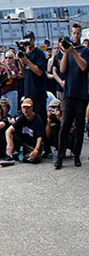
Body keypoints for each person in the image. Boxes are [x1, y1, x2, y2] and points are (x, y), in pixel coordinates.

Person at [56, 23, 89, 168]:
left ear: (80, 35)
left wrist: (74, 52)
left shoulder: (85, 50)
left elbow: (83, 67)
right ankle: (60, 156)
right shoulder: (67, 52)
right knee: (64, 126)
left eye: (77, 33)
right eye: (73, 33)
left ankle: (76, 155)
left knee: (80, 127)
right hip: (68, 94)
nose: (75, 35)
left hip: (81, 94)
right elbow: (62, 70)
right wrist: (65, 52)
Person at [16, 32, 48, 122]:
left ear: (33, 39)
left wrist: (27, 61)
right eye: (26, 39)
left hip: (38, 92)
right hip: (28, 91)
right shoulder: (26, 54)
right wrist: (19, 60)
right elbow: (23, 74)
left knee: (40, 118)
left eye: (29, 39)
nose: (28, 41)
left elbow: (39, 72)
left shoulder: (39, 53)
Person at [4, 98, 45, 164]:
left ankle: (20, 156)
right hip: (23, 145)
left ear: (32, 107)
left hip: (32, 146)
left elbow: (39, 137)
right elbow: (8, 131)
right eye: (24, 107)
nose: (26, 110)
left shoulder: (37, 119)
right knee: (12, 133)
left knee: (36, 158)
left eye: (28, 108)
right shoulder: (22, 118)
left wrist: (36, 150)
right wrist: (9, 146)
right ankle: (10, 155)